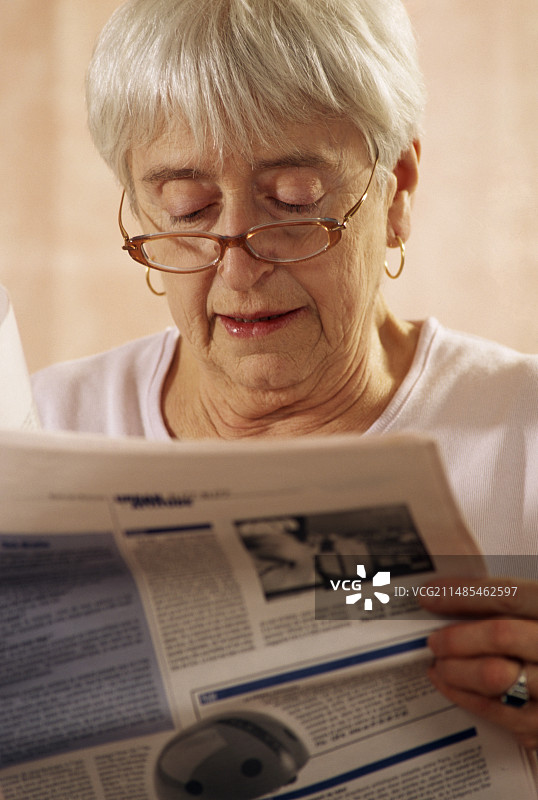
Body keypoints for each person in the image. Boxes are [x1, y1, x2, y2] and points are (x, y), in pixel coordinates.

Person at [31, 0, 538, 750]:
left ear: (396, 191)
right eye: (188, 209)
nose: (238, 265)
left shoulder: (522, 436)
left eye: (294, 201)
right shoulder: (43, 428)